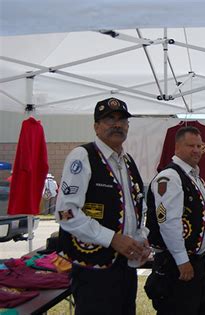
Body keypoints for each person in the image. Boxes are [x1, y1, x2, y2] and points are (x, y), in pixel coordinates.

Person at [55, 97, 149, 315]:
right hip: (94, 268)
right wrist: (112, 238)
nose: (117, 124)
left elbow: (135, 210)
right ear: (96, 127)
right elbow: (65, 213)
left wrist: (139, 240)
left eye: (122, 120)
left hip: (125, 268)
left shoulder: (127, 161)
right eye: (109, 119)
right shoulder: (83, 156)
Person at [146, 126, 205, 315]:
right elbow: (168, 222)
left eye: (199, 145)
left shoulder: (193, 176)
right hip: (177, 265)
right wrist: (182, 259)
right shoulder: (170, 177)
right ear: (177, 148)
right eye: (190, 145)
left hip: (195, 262)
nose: (196, 150)